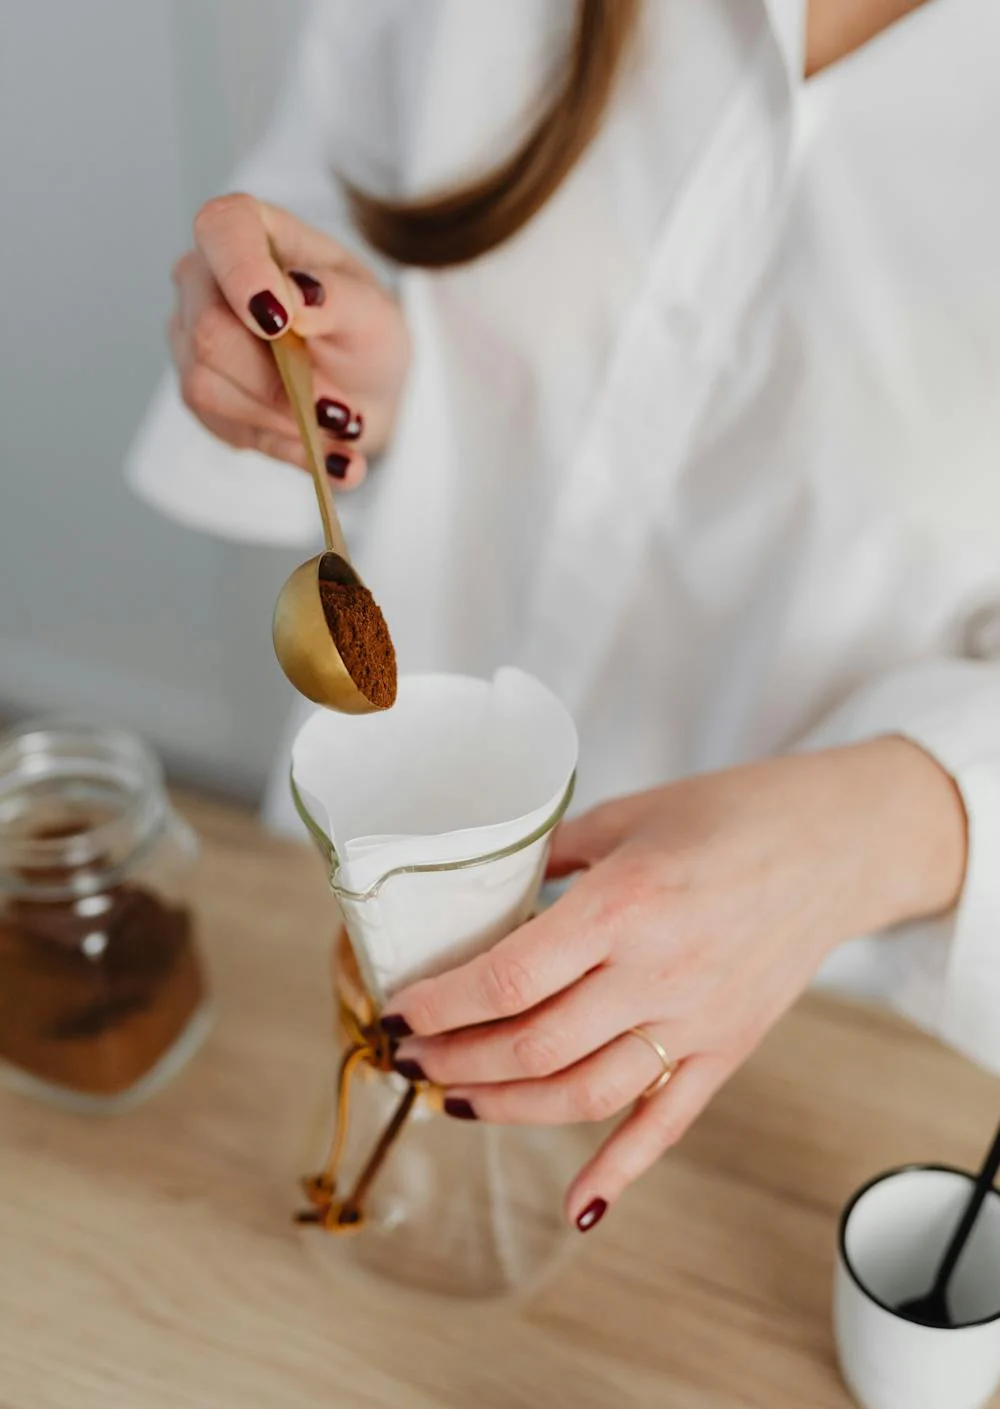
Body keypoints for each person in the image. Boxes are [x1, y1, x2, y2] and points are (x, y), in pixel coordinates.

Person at [127, 0, 1000, 1230]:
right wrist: (333, 372)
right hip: (362, 910)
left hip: (812, 1054)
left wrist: (885, 827)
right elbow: (336, 234)